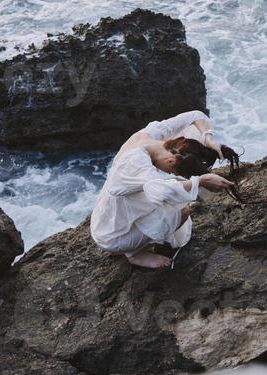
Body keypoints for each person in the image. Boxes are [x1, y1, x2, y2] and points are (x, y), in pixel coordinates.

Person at [91, 110, 233, 269]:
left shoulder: (150, 136)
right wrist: (201, 180)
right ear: (171, 160)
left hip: (109, 217)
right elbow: (162, 191)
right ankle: (134, 254)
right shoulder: (136, 162)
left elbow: (195, 115)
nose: (169, 173)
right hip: (111, 236)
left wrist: (208, 138)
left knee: (174, 195)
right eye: (172, 171)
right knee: (182, 212)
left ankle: (131, 243)